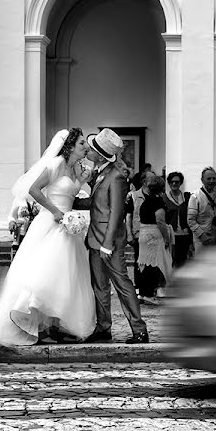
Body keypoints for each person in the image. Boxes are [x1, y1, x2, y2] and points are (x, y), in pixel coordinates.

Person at [0, 128, 96, 346]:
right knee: (44, 271)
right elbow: (34, 190)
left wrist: (81, 181)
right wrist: (54, 211)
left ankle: (53, 325)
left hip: (67, 229)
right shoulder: (54, 165)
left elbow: (70, 194)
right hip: (50, 224)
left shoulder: (76, 169)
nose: (86, 148)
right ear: (70, 145)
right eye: (82, 144)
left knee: (63, 276)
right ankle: (27, 316)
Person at [74, 128, 149, 345]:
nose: (89, 151)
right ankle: (104, 328)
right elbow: (97, 204)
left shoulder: (116, 176)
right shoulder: (100, 173)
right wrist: (70, 202)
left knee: (122, 284)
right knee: (100, 286)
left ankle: (140, 330)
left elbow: (117, 212)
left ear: (100, 154)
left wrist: (107, 244)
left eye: (92, 149)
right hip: (94, 239)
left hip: (109, 242)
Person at [137, 174, 173, 306]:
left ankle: (143, 293)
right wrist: (167, 238)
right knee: (154, 265)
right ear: (162, 188)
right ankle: (148, 294)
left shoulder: (146, 201)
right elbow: (160, 220)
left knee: (145, 264)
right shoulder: (158, 202)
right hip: (153, 235)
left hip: (143, 233)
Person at [125, 171, 153, 301]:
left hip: (153, 234)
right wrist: (129, 233)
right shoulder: (134, 196)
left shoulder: (155, 195)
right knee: (139, 262)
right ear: (144, 181)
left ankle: (148, 291)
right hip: (139, 233)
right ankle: (139, 290)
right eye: (151, 178)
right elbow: (129, 215)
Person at [187, 167, 216, 251]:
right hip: (201, 240)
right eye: (209, 178)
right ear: (202, 180)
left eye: (214, 178)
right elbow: (191, 220)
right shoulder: (195, 196)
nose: (212, 181)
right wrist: (202, 236)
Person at [162, 171, 192, 268]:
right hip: (171, 235)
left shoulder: (187, 197)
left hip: (184, 234)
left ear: (181, 183)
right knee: (171, 261)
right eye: (172, 182)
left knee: (183, 261)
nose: (174, 184)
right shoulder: (164, 198)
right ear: (169, 183)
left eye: (177, 182)